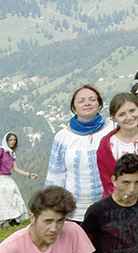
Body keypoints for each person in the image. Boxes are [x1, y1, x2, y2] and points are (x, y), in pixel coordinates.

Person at [46, 85, 109, 222]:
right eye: (81, 101)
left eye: (92, 99)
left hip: (109, 206)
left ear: (99, 104)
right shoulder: (62, 137)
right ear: (74, 108)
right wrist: (52, 207)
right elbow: (56, 175)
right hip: (75, 211)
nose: (87, 103)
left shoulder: (113, 130)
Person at [0, 134, 35, 229]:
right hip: (0, 178)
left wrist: (29, 174)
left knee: (16, 198)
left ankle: (13, 220)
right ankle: (3, 224)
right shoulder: (0, 150)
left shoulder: (11, 153)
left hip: (8, 179)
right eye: (10, 140)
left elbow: (15, 169)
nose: (12, 142)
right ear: (6, 141)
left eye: (14, 140)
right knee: (4, 201)